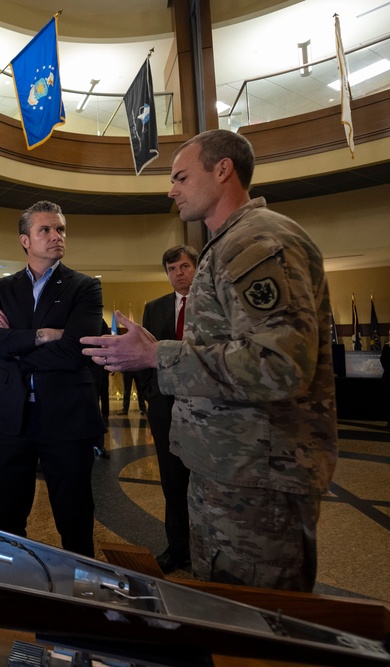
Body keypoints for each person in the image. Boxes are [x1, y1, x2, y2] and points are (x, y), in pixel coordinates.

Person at [80, 129, 338, 592]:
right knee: (225, 606)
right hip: (232, 471)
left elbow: (280, 364)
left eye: (180, 176)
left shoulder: (257, 243)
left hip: (260, 480)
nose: (170, 189)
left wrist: (156, 353)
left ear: (223, 170)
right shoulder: (229, 244)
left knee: (256, 626)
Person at [0, 200, 105, 557]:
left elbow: (76, 349)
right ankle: (14, 586)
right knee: (9, 519)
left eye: (60, 229)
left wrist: (13, 341)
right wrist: (42, 334)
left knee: (74, 518)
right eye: (45, 230)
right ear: (25, 241)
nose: (56, 236)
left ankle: (80, 594)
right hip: (9, 419)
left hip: (66, 417)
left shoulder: (84, 287)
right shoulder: (1, 289)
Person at [139, 245, 198, 573]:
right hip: (165, 408)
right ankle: (177, 549)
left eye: (184, 266)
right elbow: (145, 355)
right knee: (172, 482)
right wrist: (151, 396)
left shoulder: (211, 304)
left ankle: (206, 550)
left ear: (196, 268)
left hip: (208, 408)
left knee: (203, 481)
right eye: (172, 268)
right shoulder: (156, 308)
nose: (179, 273)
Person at [92, 318, 111, 459]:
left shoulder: (99, 321)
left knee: (95, 408)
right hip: (86, 371)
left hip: (96, 370)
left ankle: (98, 445)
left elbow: (106, 344)